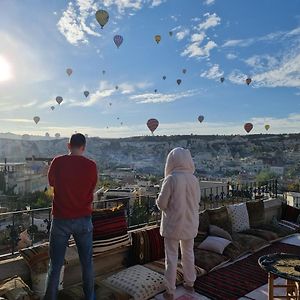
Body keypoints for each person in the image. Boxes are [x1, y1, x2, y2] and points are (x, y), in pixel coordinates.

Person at [44, 133, 98, 300]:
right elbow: (92, 187)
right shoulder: (91, 166)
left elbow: (51, 183)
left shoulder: (58, 162)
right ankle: (90, 297)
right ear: (84, 147)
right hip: (83, 219)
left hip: (61, 219)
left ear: (69, 146)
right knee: (87, 264)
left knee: (55, 266)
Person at [156, 147, 200, 300]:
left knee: (171, 256)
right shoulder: (194, 179)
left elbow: (162, 204)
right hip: (190, 223)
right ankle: (190, 282)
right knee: (188, 253)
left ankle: (170, 290)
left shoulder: (171, 179)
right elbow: (197, 202)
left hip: (173, 224)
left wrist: (157, 200)